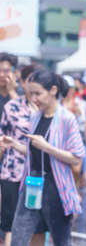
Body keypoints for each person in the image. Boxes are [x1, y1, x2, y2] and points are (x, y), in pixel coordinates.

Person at [10, 69, 85, 246]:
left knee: (61, 239)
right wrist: (13, 145)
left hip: (57, 187)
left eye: (38, 93)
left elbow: (76, 158)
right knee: (19, 237)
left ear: (52, 91)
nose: (33, 99)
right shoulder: (35, 117)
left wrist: (47, 147)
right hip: (32, 183)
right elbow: (34, 152)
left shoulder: (67, 119)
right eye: (30, 94)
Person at [0, 64, 43, 246]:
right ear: (23, 82)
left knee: (37, 226)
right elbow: (13, 131)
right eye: (30, 81)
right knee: (11, 224)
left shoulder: (47, 107)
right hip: (13, 171)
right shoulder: (13, 106)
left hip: (37, 174)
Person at [0, 52, 18, 118]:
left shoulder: (23, 93)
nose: (1, 75)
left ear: (15, 72)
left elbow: (21, 115)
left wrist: (11, 91)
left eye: (6, 71)